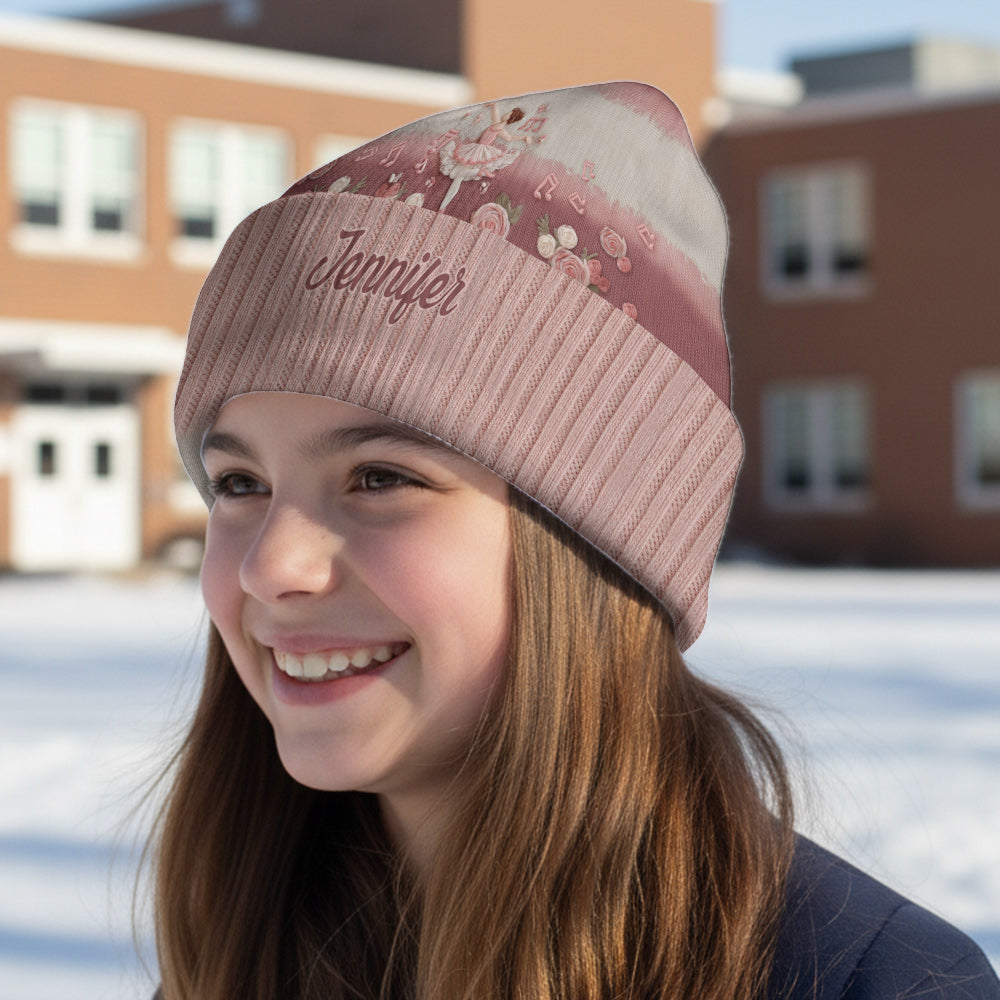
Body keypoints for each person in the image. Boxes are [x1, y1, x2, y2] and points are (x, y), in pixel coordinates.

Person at [157, 82, 999, 999]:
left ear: (598, 545)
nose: (272, 566)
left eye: (382, 478)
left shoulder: (877, 984)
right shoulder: (239, 952)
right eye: (239, 483)